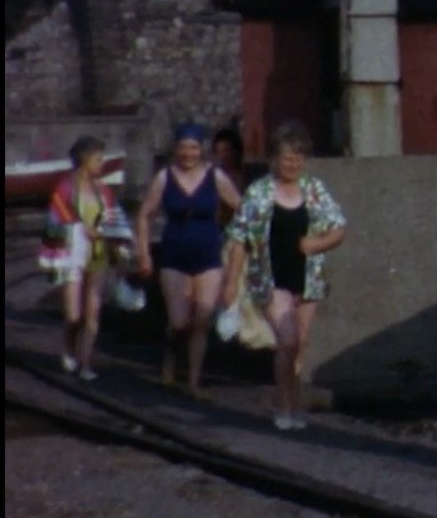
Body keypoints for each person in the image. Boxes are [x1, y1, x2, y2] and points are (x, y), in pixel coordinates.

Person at [221, 120, 346, 430]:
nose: (294, 164)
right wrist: (230, 285)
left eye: (299, 158)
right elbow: (239, 240)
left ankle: (293, 404)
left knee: (300, 342)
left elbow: (339, 228)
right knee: (287, 339)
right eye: (288, 157)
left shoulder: (314, 189)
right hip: (270, 276)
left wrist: (316, 243)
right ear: (274, 158)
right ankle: (283, 406)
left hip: (308, 277)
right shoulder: (258, 192)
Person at [135, 123, 241, 398]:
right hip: (174, 254)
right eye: (183, 147)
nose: (188, 153)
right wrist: (144, 252)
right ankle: (171, 358)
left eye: (193, 147)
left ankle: (193, 381)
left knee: (203, 319)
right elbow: (144, 214)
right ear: (176, 149)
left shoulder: (215, 176)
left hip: (208, 253)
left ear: (201, 150)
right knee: (180, 321)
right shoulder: (164, 178)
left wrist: (237, 240)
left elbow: (242, 207)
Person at [38, 136, 132, 381]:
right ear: (84, 160)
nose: (101, 164)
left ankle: (85, 362)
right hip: (71, 255)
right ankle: (69, 347)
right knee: (73, 315)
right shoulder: (65, 188)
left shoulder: (104, 191)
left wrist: (119, 247)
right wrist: (80, 228)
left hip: (97, 256)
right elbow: (55, 221)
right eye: (98, 159)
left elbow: (115, 222)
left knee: (93, 313)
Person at [211, 126, 276, 351]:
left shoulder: (249, 180)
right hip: (224, 236)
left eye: (227, 151)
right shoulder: (214, 179)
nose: (223, 156)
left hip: (247, 237)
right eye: (218, 151)